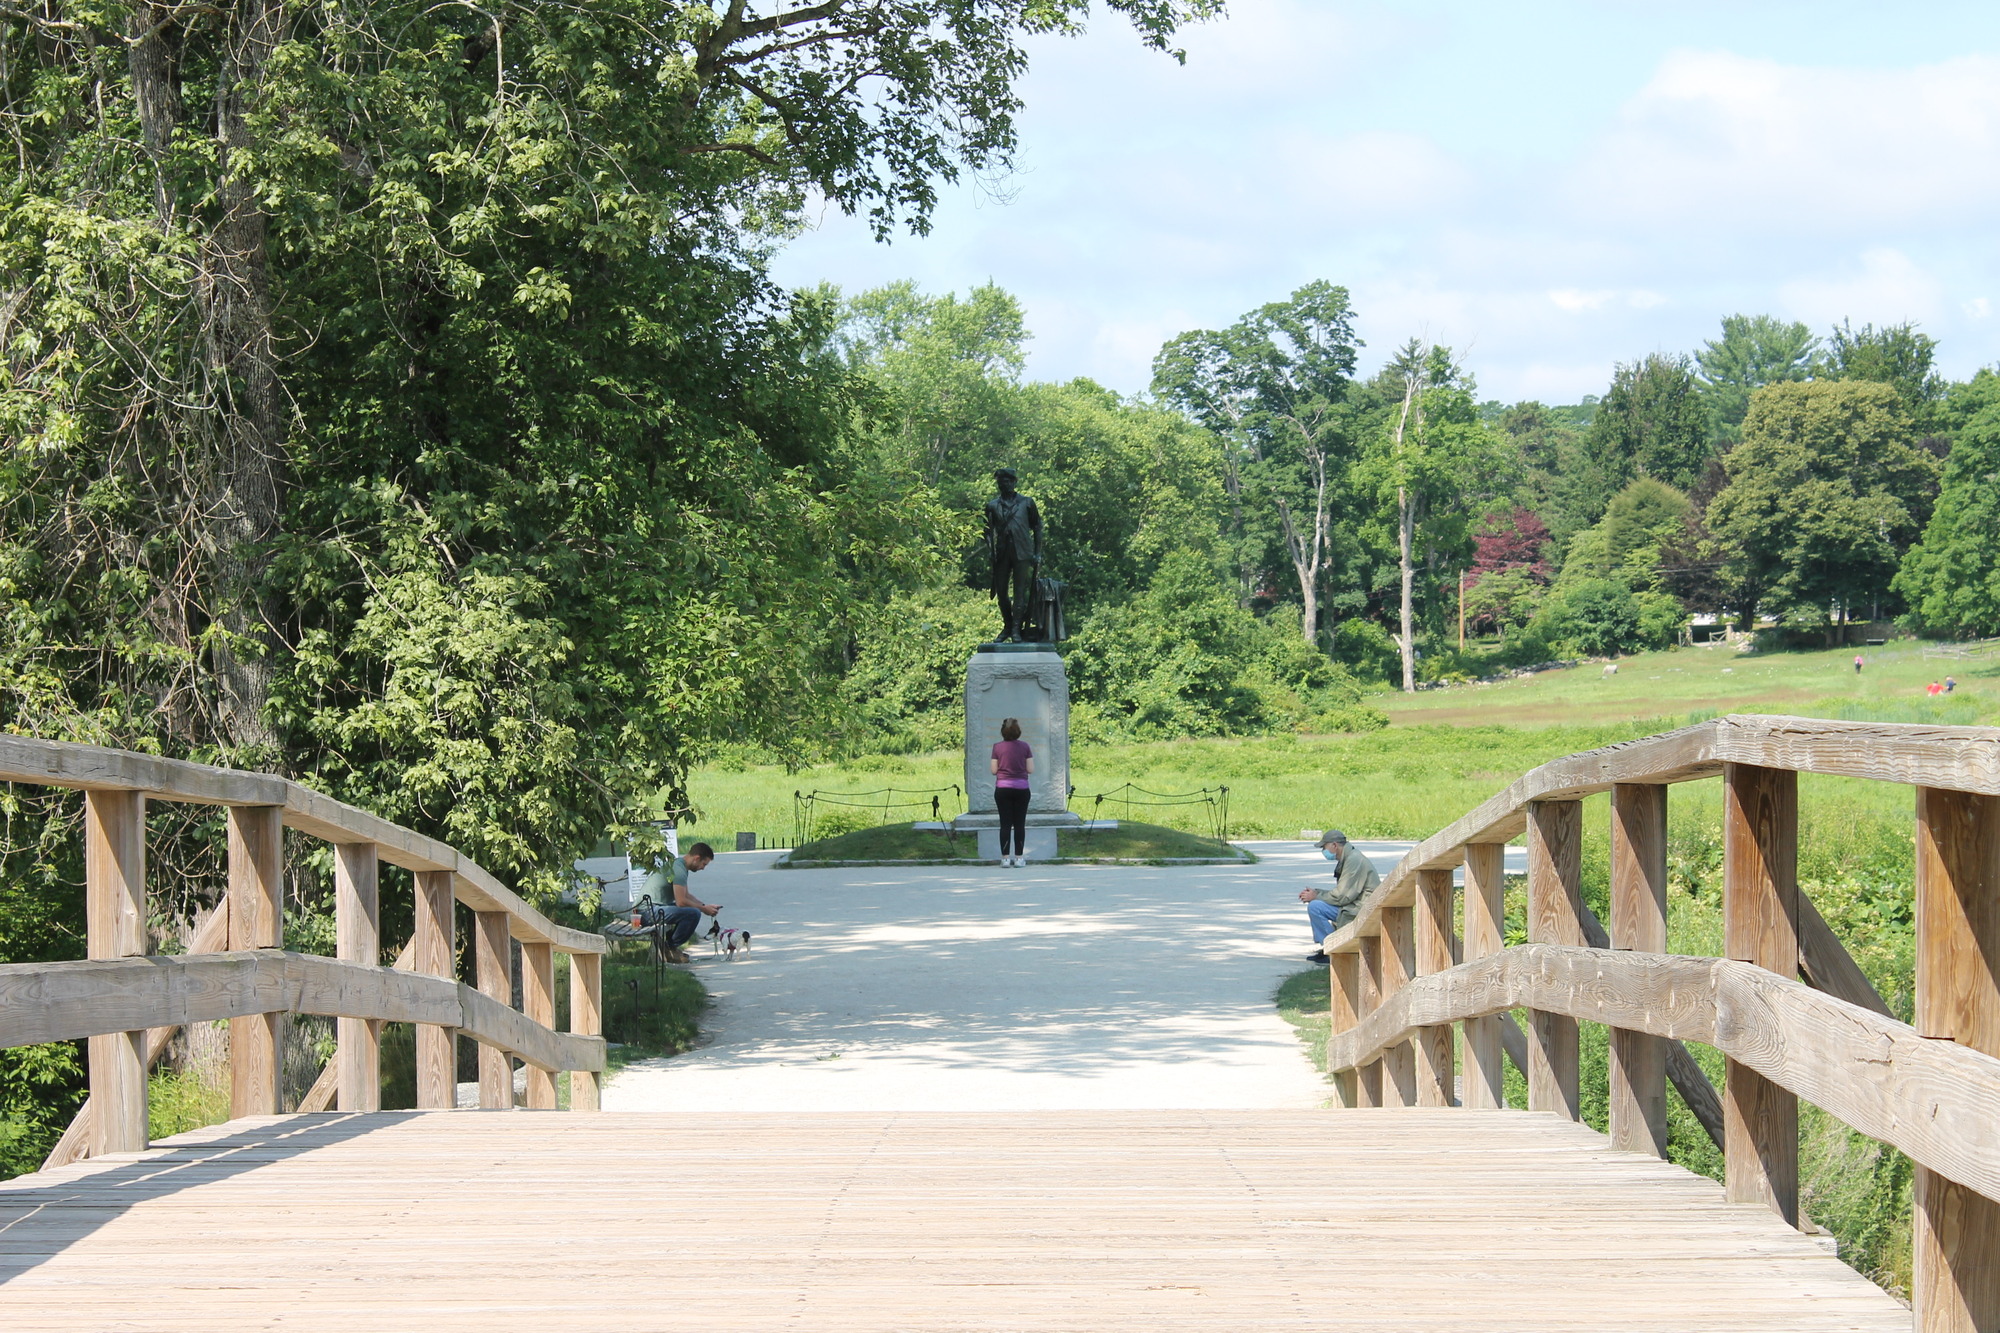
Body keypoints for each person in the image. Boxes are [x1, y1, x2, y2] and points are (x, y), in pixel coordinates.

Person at [1299, 828, 1379, 962]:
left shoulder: (1353, 859)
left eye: (1324, 847)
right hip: (1355, 904)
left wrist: (1316, 896)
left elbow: (1342, 897)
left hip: (1362, 908)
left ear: (1334, 845)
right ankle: (1328, 948)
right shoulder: (1349, 857)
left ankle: (1334, 950)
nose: (1323, 851)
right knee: (1316, 905)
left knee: (1315, 907)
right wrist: (1317, 893)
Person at [983, 468, 1043, 642]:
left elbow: (1037, 527)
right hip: (1001, 554)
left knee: (1019, 592)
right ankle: (1007, 626)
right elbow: (985, 531)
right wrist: (991, 549)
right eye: (1002, 482)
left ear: (1015, 482)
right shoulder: (992, 506)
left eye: (1009, 481)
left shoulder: (1027, 503)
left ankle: (1016, 629)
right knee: (1001, 592)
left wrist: (1037, 553)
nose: (1005, 484)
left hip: (1022, 552)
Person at [639, 842, 721, 963]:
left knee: (693, 910)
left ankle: (669, 947)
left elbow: (686, 896)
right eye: (704, 864)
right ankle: (670, 948)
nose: (703, 868)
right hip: (646, 912)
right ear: (696, 858)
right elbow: (681, 902)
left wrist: (705, 906)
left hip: (652, 908)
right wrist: (703, 910)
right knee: (693, 914)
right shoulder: (679, 870)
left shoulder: (679, 865)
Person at [991, 718, 1033, 867]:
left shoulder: (997, 747)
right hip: (1022, 789)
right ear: (1018, 732)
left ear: (1003, 732)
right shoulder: (1025, 746)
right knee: (1020, 824)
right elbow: (1030, 769)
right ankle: (1019, 858)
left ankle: (1005, 858)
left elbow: (993, 770)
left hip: (1003, 788)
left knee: (1005, 824)